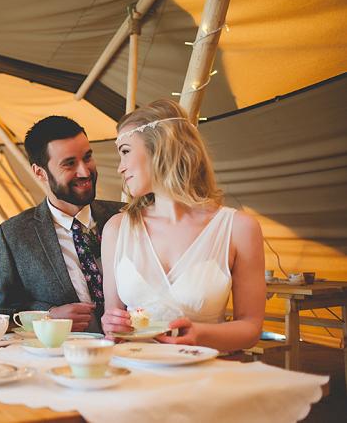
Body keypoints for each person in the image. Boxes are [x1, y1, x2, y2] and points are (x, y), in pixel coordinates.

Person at [100, 99, 265, 351]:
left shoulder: (238, 228)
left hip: (203, 378)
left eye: (124, 151)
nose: (120, 168)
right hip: (132, 375)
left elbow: (251, 328)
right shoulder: (116, 229)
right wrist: (112, 324)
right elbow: (112, 319)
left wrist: (201, 334)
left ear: (159, 147)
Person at [0, 116, 123, 332]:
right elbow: (4, 314)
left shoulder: (124, 215)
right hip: (61, 359)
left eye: (88, 157)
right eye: (70, 164)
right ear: (39, 173)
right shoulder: (14, 235)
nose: (85, 172)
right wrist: (47, 317)